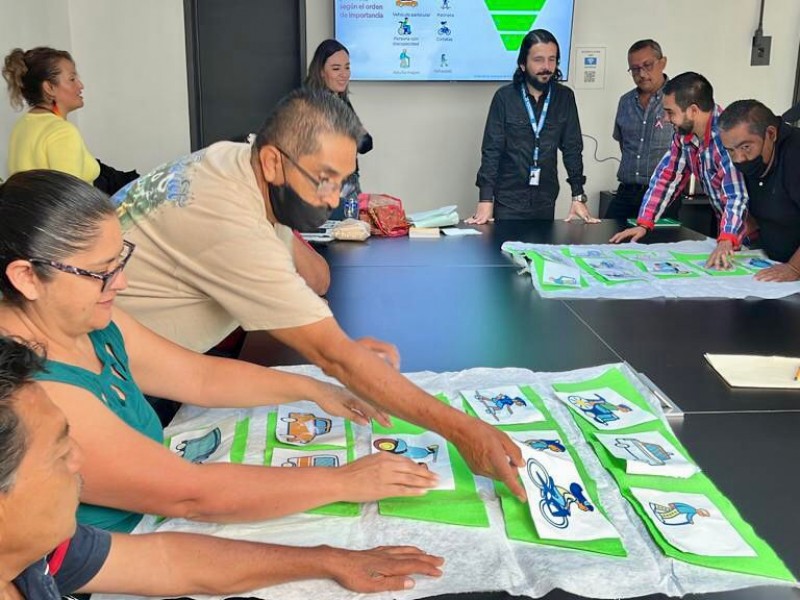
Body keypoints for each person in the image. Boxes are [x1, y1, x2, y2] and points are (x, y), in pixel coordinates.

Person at [111, 88, 526, 500]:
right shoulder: (226, 218)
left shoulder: (241, 161)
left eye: (342, 183)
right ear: (274, 161)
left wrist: (336, 350)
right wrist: (463, 430)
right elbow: (330, 355)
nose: (331, 200)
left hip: (158, 359)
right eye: (323, 180)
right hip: (113, 379)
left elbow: (317, 278)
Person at [0, 169, 440, 533]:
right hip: (118, 560)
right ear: (26, 277)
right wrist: (342, 481)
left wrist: (313, 387)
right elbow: (191, 494)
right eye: (101, 272)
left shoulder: (90, 321)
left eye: (121, 262)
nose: (123, 283)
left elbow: (198, 377)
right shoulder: (33, 393)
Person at [0, 336, 444, 599]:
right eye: (59, 454)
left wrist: (329, 559)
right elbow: (191, 498)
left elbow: (167, 560)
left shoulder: (46, 550)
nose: (80, 460)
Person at [610, 72, 749, 269]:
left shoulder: (726, 136)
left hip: (751, 233)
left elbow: (736, 195)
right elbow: (666, 177)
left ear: (693, 111)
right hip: (728, 233)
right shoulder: (684, 136)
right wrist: (644, 223)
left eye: (670, 112)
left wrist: (727, 239)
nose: (665, 119)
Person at [468, 29, 599, 224]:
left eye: (552, 59)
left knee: (541, 253)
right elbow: (492, 150)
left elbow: (572, 148)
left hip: (545, 199)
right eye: (538, 60)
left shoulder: (564, 97)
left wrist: (577, 195)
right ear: (523, 63)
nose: (546, 67)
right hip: (508, 199)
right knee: (505, 253)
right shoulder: (504, 98)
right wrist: (486, 199)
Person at [2, 46, 137, 194]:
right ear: (49, 88)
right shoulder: (62, 132)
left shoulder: (21, 126)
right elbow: (71, 203)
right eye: (72, 79)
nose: (80, 86)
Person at [719, 99, 800, 282]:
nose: (739, 159)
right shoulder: (753, 161)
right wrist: (731, 238)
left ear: (770, 134)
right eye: (730, 151)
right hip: (773, 262)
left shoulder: (795, 154)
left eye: (746, 147)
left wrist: (795, 268)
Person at [606, 39, 676, 220]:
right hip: (627, 192)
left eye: (647, 65)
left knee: (658, 246)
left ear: (663, 62)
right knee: (607, 240)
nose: (642, 74)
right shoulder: (625, 102)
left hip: (663, 195)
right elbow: (625, 144)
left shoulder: (678, 100)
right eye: (635, 69)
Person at [304, 39, 372, 219]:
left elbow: (366, 144)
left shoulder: (340, 101)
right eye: (336, 68)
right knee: (336, 243)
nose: (344, 74)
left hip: (347, 187)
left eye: (347, 67)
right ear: (321, 72)